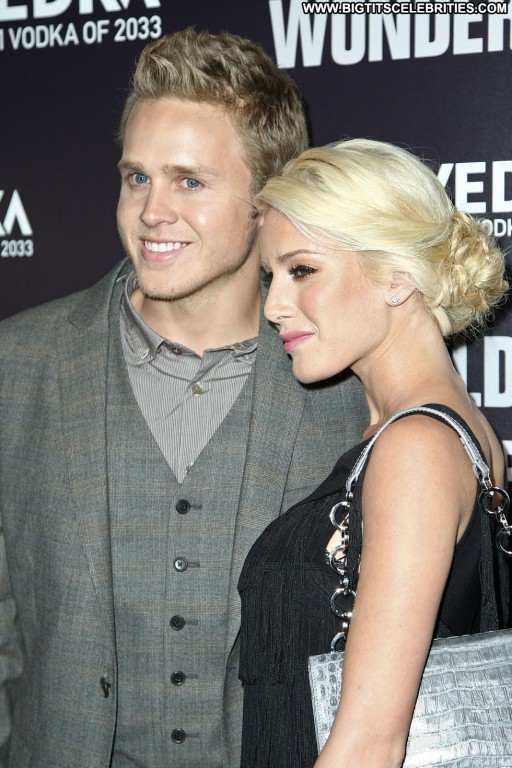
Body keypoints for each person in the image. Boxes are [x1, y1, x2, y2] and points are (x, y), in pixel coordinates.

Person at [0, 29, 367, 768]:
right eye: (137, 177)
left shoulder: (350, 391)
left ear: (268, 199)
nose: (150, 211)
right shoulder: (19, 364)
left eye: (189, 182)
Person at [238, 138, 509, 767]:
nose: (274, 306)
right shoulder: (429, 436)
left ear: (397, 276)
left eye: (303, 270)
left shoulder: (415, 449)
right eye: (271, 276)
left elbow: (368, 746)